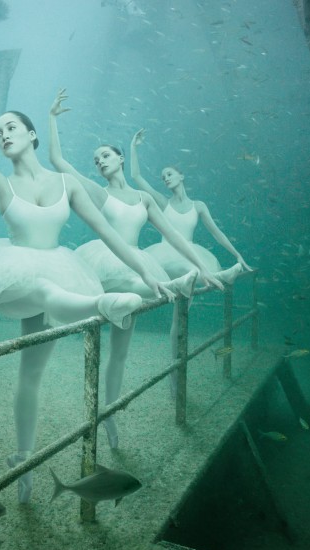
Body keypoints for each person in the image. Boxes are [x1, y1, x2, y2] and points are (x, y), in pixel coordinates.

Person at [0, 40, 177, 504]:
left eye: (10, 127)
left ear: (31, 135)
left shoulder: (67, 184)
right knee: (46, 291)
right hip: (12, 281)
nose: (2, 135)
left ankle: (23, 462)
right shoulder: (0, 183)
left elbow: (109, 234)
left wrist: (148, 274)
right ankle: (102, 305)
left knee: (31, 375)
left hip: (56, 275)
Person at [48, 89, 243, 450]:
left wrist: (203, 265)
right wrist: (53, 118)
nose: (99, 162)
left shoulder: (145, 199)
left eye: (105, 155)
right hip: (108, 265)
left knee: (119, 351)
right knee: (146, 286)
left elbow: (175, 239)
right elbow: (58, 160)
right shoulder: (98, 192)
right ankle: (179, 284)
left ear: (120, 158)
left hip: (137, 264)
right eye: (95, 159)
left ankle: (109, 420)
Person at [130, 127, 252, 399]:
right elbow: (137, 177)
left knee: (181, 316)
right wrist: (134, 147)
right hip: (166, 255)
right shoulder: (162, 202)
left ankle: (175, 377)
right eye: (163, 177)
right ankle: (219, 275)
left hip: (190, 256)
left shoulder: (198, 205)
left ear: (182, 176)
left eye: (169, 173)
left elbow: (216, 232)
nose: (165, 178)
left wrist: (237, 255)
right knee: (193, 273)